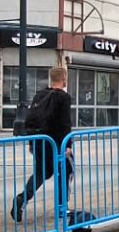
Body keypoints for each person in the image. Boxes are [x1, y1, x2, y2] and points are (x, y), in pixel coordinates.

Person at [11, 64, 74, 223]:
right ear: (64, 78)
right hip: (56, 142)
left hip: (40, 141)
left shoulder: (39, 95)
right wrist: (68, 145)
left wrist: (32, 143)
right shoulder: (63, 97)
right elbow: (65, 123)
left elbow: (32, 119)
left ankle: (21, 199)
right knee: (65, 171)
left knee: (41, 173)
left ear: (51, 78)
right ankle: (61, 207)